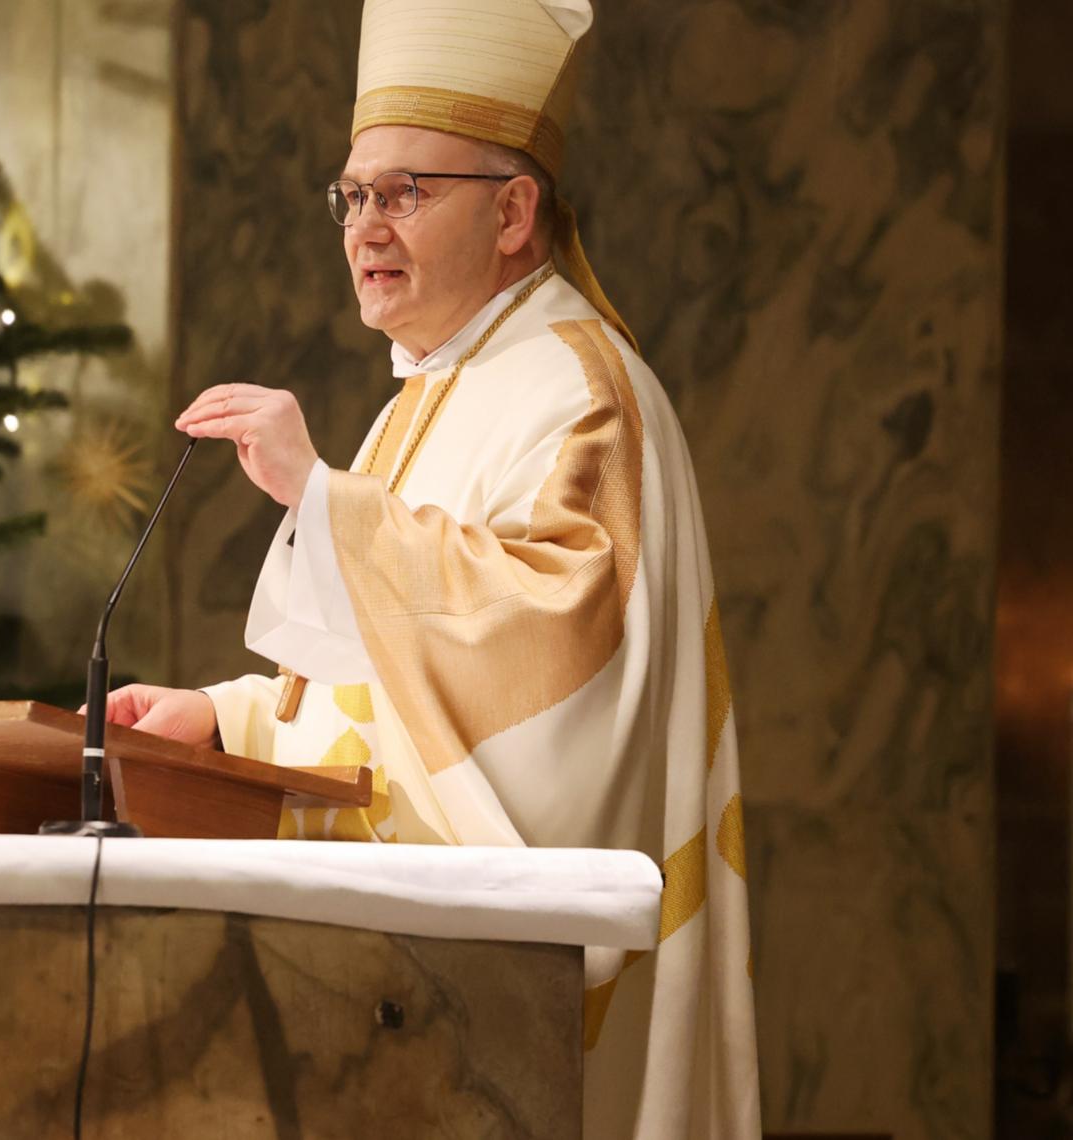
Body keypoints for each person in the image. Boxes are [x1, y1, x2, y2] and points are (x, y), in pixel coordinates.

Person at [101, 0, 759, 1135]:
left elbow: (558, 655)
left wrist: (324, 499)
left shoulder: (580, 391)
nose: (366, 228)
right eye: (352, 196)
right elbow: (390, 685)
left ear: (514, 212)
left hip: (504, 1017)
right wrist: (228, 722)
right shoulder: (437, 391)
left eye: (405, 192)